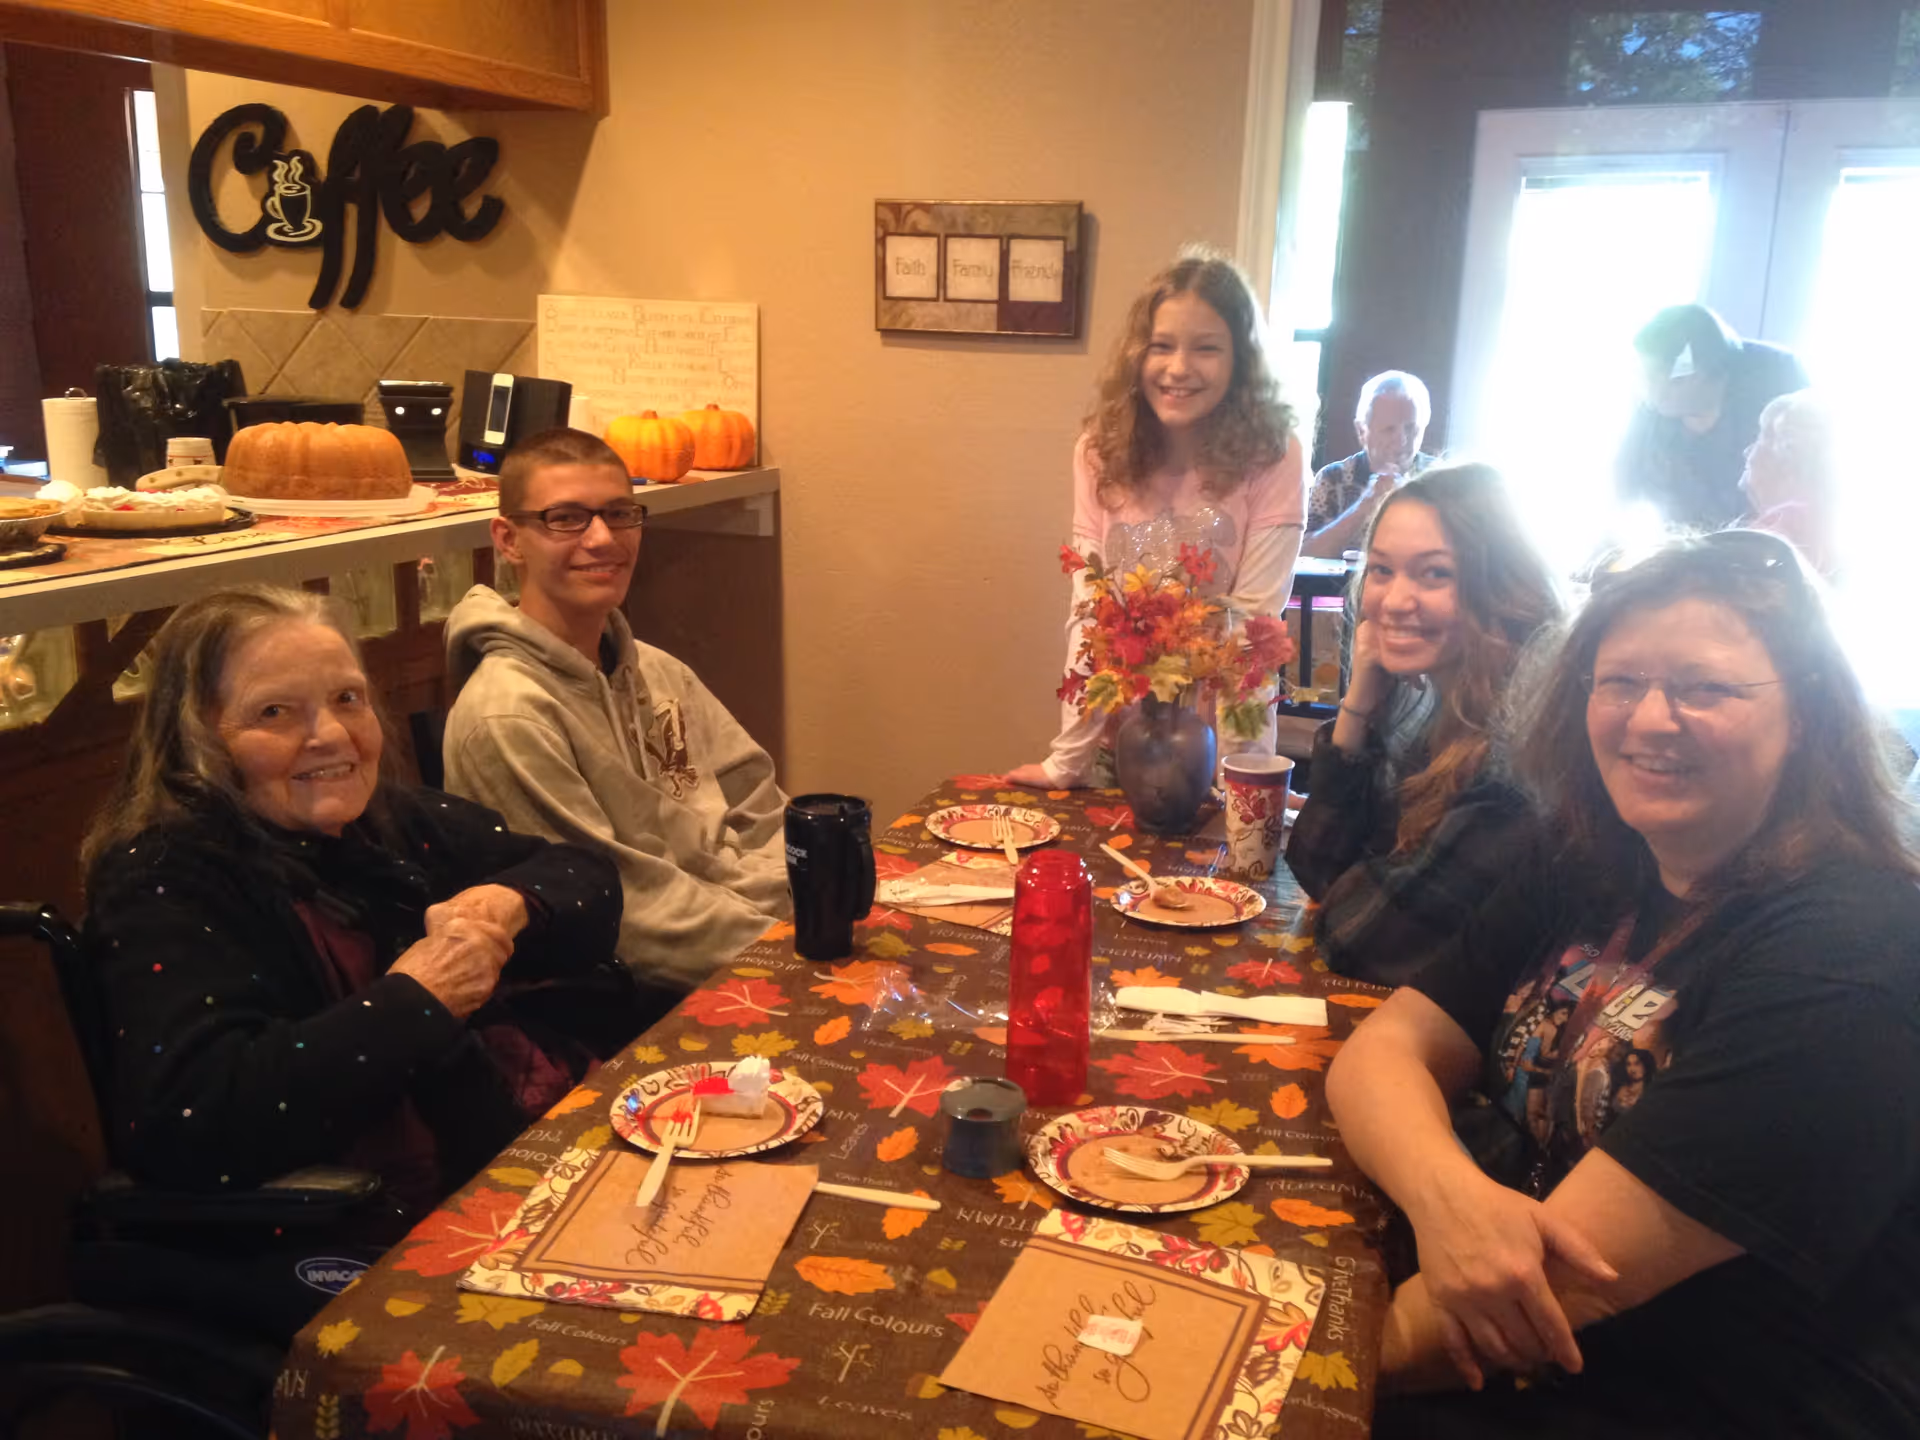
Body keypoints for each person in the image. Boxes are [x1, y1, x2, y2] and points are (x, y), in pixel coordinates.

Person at [1326, 530, 1920, 1437]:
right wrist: (1449, 1197)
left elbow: (1542, 1300)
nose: (1649, 720)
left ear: (1805, 713)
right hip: (1514, 1322)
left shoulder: (1852, 957)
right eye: (1621, 681)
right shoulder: (1588, 850)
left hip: (1697, 1394)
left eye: (1704, 688)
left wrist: (1275, 1358)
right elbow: (1387, 1049)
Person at [83, 586, 631, 1221]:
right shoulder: (161, 878)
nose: (331, 734)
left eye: (347, 699)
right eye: (275, 712)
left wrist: (507, 903)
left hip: (512, 1146)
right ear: (199, 737)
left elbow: (586, 876)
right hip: (355, 1231)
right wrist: (418, 999)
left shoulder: (383, 820)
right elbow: (193, 1120)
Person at [443, 427, 789, 998]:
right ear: (509, 540)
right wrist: (785, 951)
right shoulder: (507, 717)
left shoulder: (658, 670)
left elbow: (760, 805)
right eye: (566, 518)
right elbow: (625, 915)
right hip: (639, 996)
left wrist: (810, 903)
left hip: (758, 932)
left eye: (620, 514)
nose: (603, 538)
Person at [1002, 250, 1304, 788]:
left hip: (1215, 748)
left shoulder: (1274, 456)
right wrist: (1068, 761)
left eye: (1206, 348)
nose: (1179, 368)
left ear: (1239, 360)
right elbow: (1090, 613)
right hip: (1118, 742)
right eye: (1161, 346)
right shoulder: (1098, 451)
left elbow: (1252, 629)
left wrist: (1244, 782)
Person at [1284, 463, 1562, 986]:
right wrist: (1359, 702)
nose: (1394, 601)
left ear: (1502, 588)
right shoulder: (1435, 708)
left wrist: (1358, 886)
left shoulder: (1517, 752)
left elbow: (1358, 940)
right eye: (1382, 570)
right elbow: (1317, 867)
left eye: (1435, 574)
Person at [1616, 304, 1809, 531]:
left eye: (1656, 376)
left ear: (1700, 371)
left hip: (1757, 540)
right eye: (1644, 375)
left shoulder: (1776, 390)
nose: (1648, 389)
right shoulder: (1649, 417)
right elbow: (1625, 488)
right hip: (1682, 541)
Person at [1302, 371, 1440, 558]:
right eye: (1389, 429)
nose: (1401, 440)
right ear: (1361, 431)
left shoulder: (1439, 478)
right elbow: (1306, 554)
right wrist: (1366, 504)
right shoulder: (1333, 479)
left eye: (1411, 428)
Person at [1742, 388, 1839, 578]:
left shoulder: (1787, 524)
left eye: (1761, 438)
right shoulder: (1823, 517)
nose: (1747, 451)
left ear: (1787, 453)